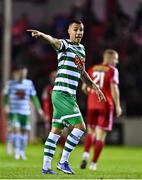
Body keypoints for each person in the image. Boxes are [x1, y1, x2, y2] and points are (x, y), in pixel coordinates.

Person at [27, 19, 106, 175]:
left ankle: (46, 167)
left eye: (81, 30)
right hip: (63, 94)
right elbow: (53, 41)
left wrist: (95, 87)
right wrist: (43, 35)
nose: (79, 32)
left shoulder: (82, 49)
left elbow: (82, 73)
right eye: (75, 29)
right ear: (69, 31)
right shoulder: (64, 45)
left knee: (55, 131)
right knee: (81, 128)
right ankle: (63, 162)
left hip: (66, 94)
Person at [80, 49, 122, 171]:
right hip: (105, 105)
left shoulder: (93, 68)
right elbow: (114, 88)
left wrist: (92, 95)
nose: (117, 61)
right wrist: (118, 105)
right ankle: (93, 164)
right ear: (110, 58)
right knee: (100, 136)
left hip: (92, 104)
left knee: (91, 132)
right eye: (116, 59)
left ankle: (85, 155)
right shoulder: (113, 70)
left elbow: (84, 87)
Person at [2, 65, 44, 160]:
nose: (23, 75)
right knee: (16, 129)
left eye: (24, 73)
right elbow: (5, 96)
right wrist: (5, 106)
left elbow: (34, 97)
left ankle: (22, 152)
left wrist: (39, 109)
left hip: (25, 111)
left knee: (24, 131)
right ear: (17, 73)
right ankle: (17, 152)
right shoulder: (11, 84)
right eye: (21, 72)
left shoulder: (29, 83)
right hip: (14, 111)